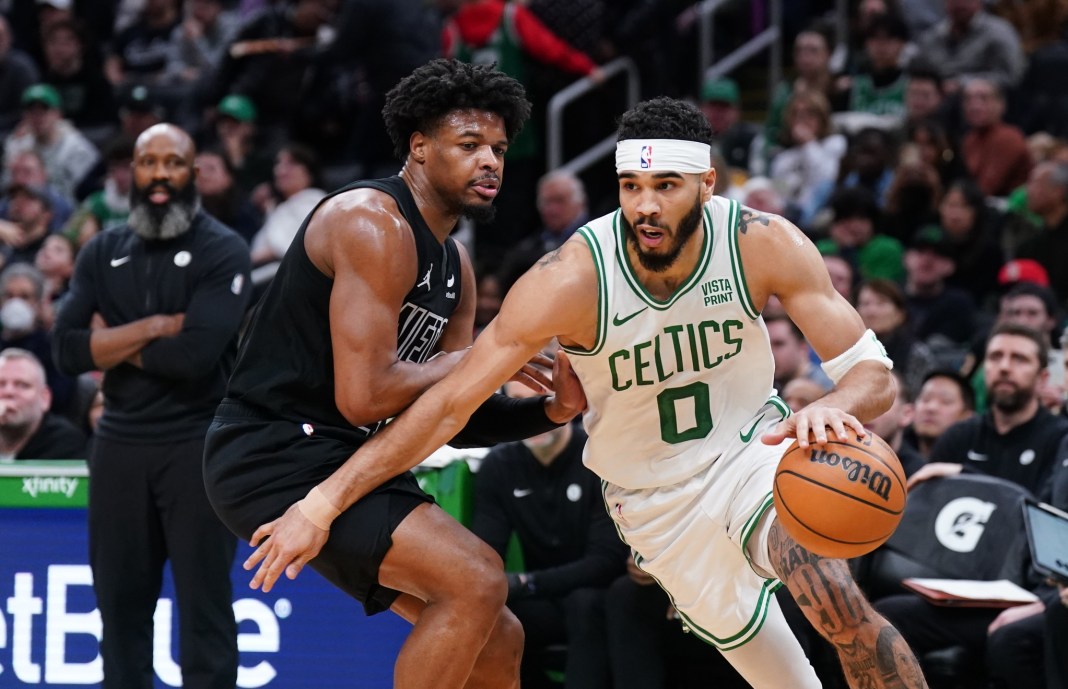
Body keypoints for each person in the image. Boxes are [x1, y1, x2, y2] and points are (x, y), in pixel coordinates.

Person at [242, 95, 930, 689]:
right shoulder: (569, 277)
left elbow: (875, 376)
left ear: (708, 184)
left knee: (834, 596)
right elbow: (448, 405)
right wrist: (326, 499)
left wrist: (828, 411)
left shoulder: (763, 242)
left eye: (667, 184)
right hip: (656, 508)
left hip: (753, 456)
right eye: (633, 184)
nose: (646, 204)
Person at [202, 59, 587, 689]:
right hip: (271, 449)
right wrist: (487, 357)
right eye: (468, 146)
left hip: (343, 455)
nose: (489, 161)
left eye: (497, 148)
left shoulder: (456, 263)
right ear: (419, 148)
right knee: (477, 578)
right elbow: (365, 396)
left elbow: (449, 416)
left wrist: (548, 413)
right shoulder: (371, 222)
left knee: (499, 637)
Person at [52, 123, 250, 689]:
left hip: (196, 445)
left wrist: (109, 340)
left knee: (205, 609)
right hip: (116, 447)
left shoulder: (223, 249)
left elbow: (192, 356)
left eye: (173, 163)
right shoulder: (101, 249)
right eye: (148, 162)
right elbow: (64, 351)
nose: (159, 175)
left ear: (193, 173)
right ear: (131, 172)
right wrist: (155, 327)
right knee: (118, 610)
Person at [472, 374, 628, 689]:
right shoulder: (497, 466)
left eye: (541, 398)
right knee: (493, 614)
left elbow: (606, 561)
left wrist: (527, 582)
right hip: (541, 599)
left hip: (599, 594)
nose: (530, 412)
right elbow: (486, 552)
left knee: (586, 604)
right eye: (517, 402)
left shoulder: (599, 457)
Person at [0, 347, 86, 460]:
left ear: (45, 398)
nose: (8, 392)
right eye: (1, 384)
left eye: (22, 385)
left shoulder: (65, 444)